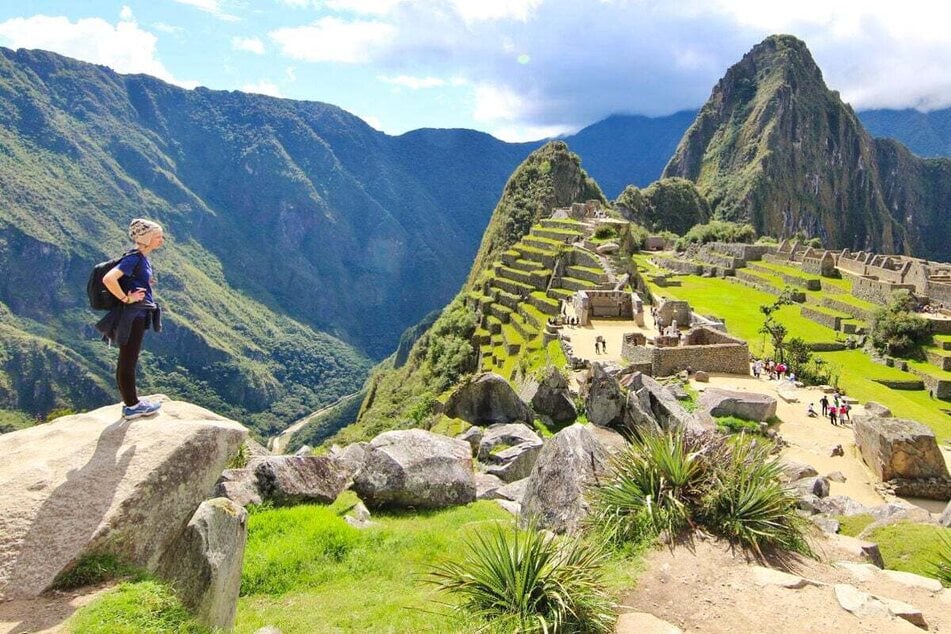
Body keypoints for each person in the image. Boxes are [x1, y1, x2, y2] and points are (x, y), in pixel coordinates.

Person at [97, 219, 165, 420]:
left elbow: (128, 279)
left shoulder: (141, 258)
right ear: (147, 238)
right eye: (158, 236)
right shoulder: (134, 259)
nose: (162, 240)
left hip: (138, 313)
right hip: (132, 316)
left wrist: (143, 282)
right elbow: (109, 279)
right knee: (128, 360)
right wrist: (126, 298)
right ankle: (132, 405)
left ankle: (131, 402)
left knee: (128, 359)